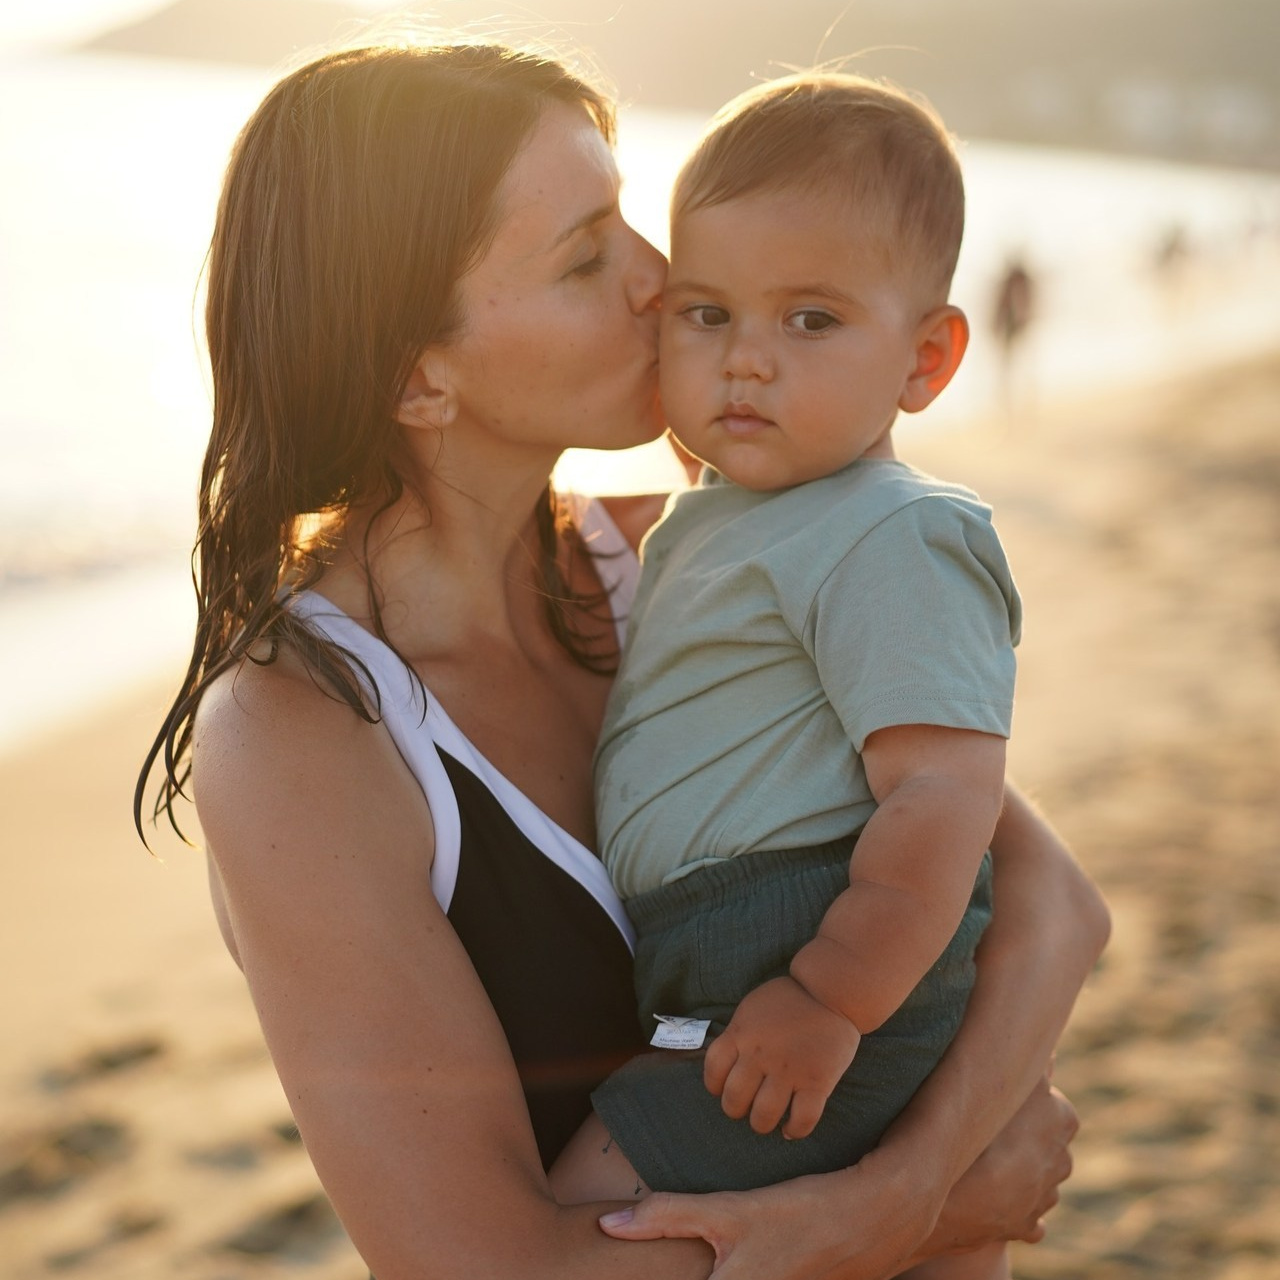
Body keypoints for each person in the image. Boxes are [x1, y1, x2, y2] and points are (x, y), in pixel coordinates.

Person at [135, 41, 1109, 1280]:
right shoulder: (300, 732)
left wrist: (908, 1184)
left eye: (627, 218)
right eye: (586, 256)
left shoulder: (693, 560)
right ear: (418, 377)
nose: (661, 279)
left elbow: (1051, 905)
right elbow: (481, 1270)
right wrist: (931, 1200)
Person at [581, 72, 1025, 1280]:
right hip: (724, 959)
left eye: (811, 321)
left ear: (924, 358)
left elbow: (942, 796)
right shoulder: (724, 515)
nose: (745, 362)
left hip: (820, 949)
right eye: (706, 313)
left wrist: (831, 997)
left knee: (586, 1213)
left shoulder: (893, 530)